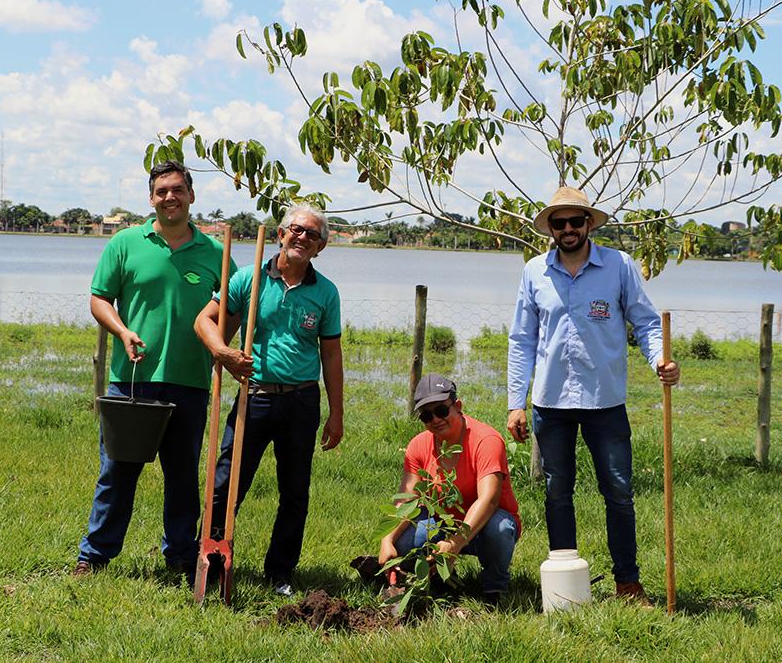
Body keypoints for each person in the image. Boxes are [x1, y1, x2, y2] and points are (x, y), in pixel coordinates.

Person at [506, 186, 680, 605]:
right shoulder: (534, 272)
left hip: (605, 402)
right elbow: (522, 339)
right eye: (559, 223)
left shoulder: (619, 266)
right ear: (550, 228)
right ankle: (565, 587)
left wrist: (660, 361)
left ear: (589, 224)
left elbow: (646, 322)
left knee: (619, 491)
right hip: (551, 403)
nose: (568, 229)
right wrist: (516, 402)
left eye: (576, 221)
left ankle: (627, 582)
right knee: (556, 491)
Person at [74, 161, 240, 580]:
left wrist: (220, 347)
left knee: (183, 477)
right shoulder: (125, 243)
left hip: (189, 381)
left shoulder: (217, 255)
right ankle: (93, 557)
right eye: (162, 190)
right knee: (116, 472)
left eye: (178, 190)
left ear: (191, 196)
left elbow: (233, 305)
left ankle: (181, 556)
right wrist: (122, 330)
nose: (170, 197)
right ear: (151, 198)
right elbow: (99, 299)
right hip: (132, 380)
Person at [195, 203, 344, 597]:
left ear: (320, 247)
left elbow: (331, 354)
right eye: (296, 229)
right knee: (227, 482)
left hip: (301, 402)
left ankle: (280, 572)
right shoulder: (249, 278)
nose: (302, 238)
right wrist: (223, 353)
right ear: (281, 234)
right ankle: (211, 556)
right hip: (254, 396)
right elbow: (204, 322)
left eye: (312, 234)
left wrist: (337, 413)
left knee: (294, 492)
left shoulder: (326, 293)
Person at [379, 374, 521, 606]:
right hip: (441, 525)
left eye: (441, 411)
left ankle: (494, 589)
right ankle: (436, 578)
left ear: (457, 406)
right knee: (403, 540)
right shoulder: (418, 445)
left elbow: (489, 500)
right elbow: (409, 499)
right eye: (426, 416)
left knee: (501, 528)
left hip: (485, 526)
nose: (435, 419)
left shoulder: (486, 440)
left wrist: (455, 543)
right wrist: (388, 539)